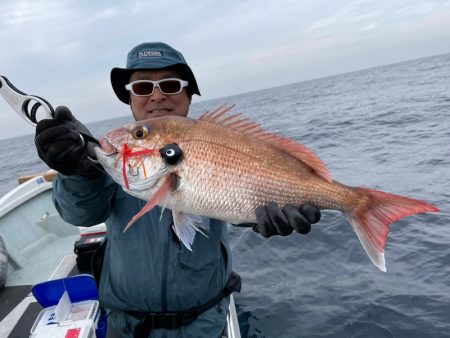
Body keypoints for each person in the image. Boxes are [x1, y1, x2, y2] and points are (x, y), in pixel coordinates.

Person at [34, 42, 321, 338]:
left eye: (170, 84)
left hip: (205, 324)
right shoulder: (117, 162)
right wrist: (79, 172)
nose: (157, 95)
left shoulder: (218, 139)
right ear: (130, 99)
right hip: (126, 326)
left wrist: (261, 218)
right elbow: (79, 213)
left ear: (188, 93)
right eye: (143, 87)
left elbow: (240, 198)